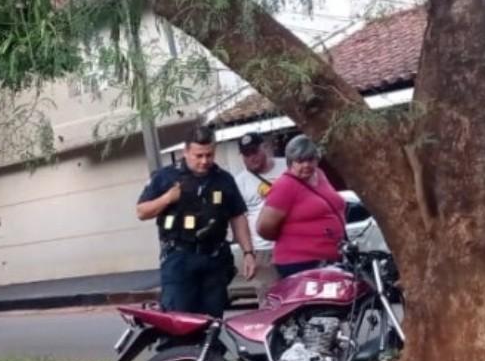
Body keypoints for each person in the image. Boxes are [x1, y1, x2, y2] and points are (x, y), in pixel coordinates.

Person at [137, 127, 257, 317]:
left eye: (209, 155)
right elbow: (142, 212)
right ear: (185, 152)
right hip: (179, 258)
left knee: (211, 320)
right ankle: (178, 348)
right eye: (198, 155)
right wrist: (167, 198)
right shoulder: (165, 177)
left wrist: (248, 252)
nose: (204, 161)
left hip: (214, 259)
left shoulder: (223, 179)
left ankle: (209, 348)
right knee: (178, 318)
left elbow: (237, 216)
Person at [256, 135, 346, 278]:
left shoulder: (320, 174)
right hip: (299, 262)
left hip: (331, 258)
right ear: (290, 162)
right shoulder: (285, 185)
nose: (306, 165)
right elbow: (264, 228)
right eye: (300, 161)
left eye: (310, 159)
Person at [232, 132, 287, 297]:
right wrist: (248, 253)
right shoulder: (239, 182)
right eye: (246, 154)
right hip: (263, 251)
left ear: (265, 147)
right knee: (270, 301)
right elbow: (239, 220)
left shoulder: (287, 167)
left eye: (254, 151)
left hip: (292, 243)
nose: (251, 157)